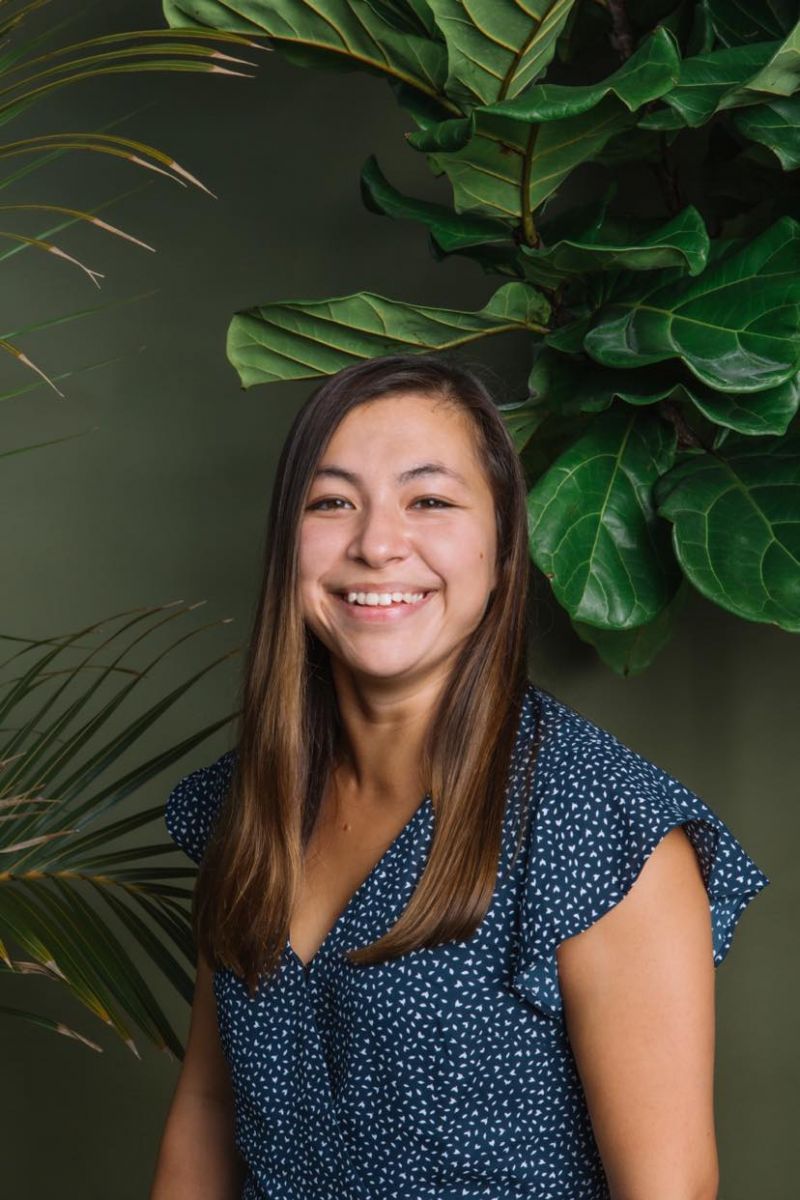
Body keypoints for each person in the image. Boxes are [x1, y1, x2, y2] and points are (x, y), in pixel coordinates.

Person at [150, 353, 770, 1200]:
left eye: (430, 501)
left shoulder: (600, 828)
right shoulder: (246, 800)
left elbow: (670, 1190)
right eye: (332, 501)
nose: (375, 544)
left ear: (504, 546)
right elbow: (211, 1109)